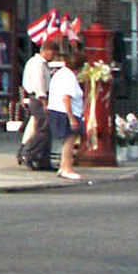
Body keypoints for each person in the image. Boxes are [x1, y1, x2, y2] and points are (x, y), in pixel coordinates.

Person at [46, 44, 87, 181]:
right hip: (65, 112)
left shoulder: (60, 73)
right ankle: (67, 169)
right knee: (69, 141)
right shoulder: (69, 76)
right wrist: (72, 119)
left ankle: (63, 168)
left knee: (67, 142)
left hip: (56, 110)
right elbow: (66, 98)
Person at [18, 37, 59, 171]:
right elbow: (39, 84)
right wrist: (44, 102)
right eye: (53, 53)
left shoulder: (42, 64)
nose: (53, 57)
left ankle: (43, 160)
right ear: (46, 51)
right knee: (43, 129)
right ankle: (28, 154)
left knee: (47, 130)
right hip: (38, 99)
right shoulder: (37, 64)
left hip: (40, 98)